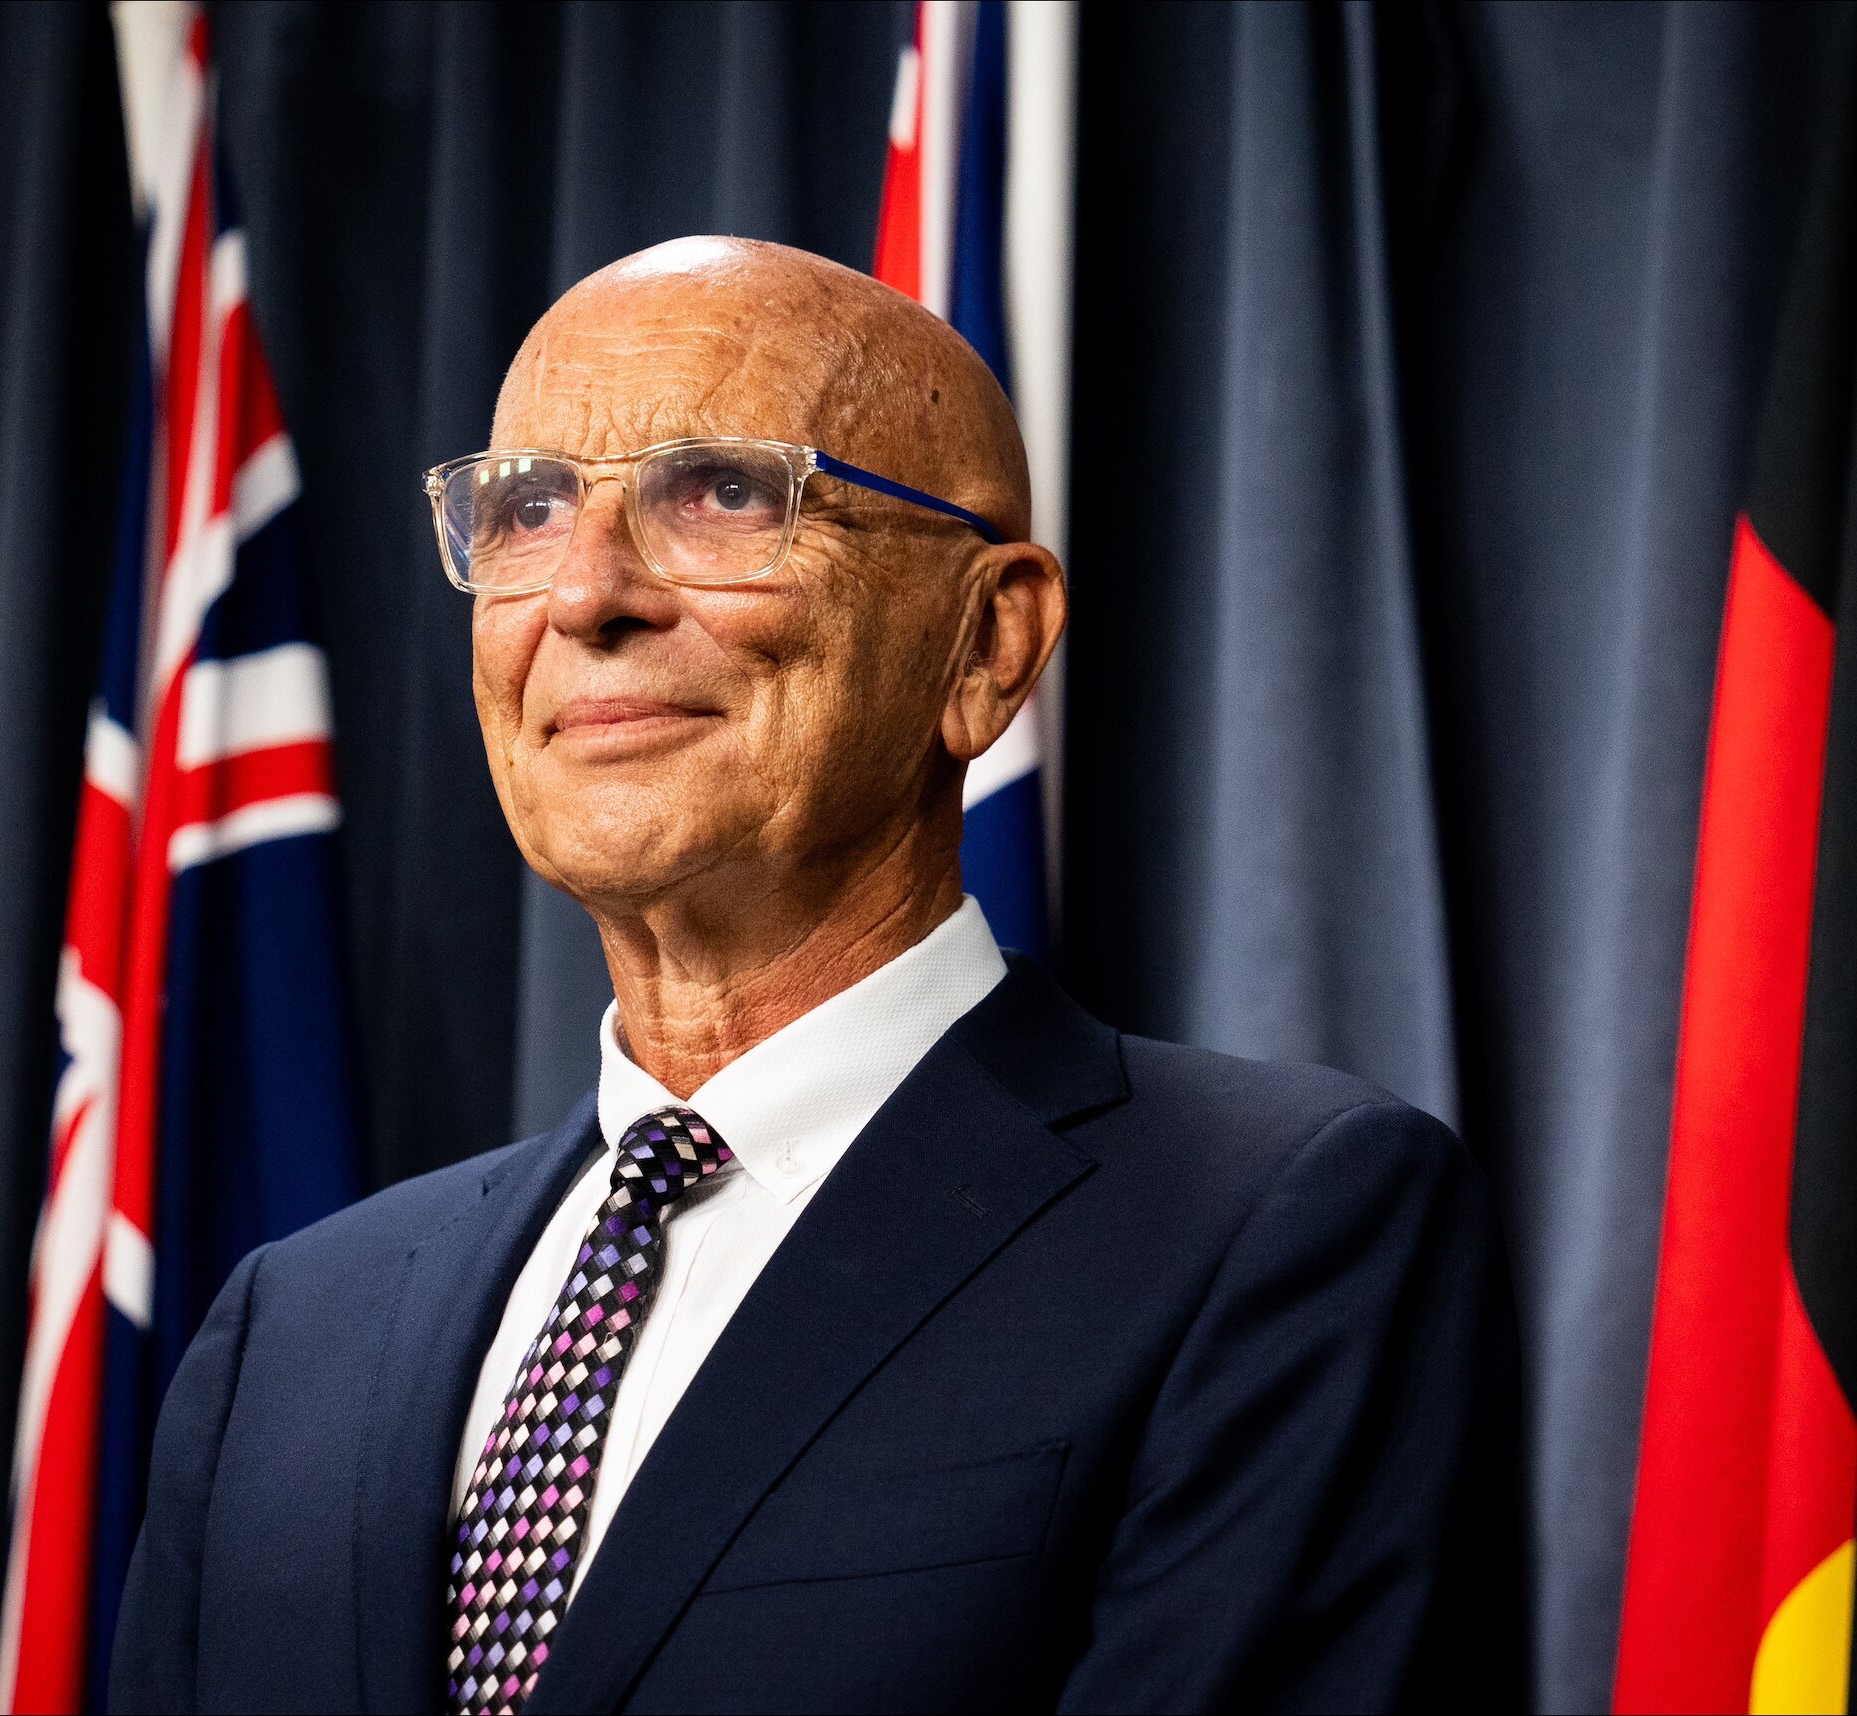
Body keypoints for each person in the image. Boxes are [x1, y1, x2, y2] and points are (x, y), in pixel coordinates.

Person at [111, 236, 1517, 1714]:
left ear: (987, 641)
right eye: (524, 510)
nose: (588, 595)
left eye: (720, 492)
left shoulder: (1271, 1228)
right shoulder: (295, 1324)